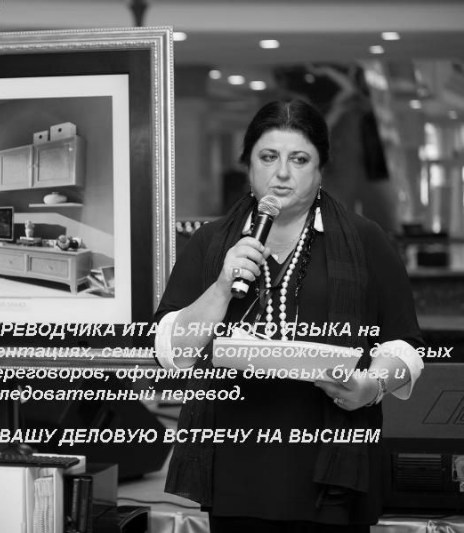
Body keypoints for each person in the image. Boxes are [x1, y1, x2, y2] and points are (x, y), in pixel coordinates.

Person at [154, 99, 424, 532]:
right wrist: (221, 287)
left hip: (330, 470)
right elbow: (171, 353)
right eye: (268, 157)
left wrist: (372, 386)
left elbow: (404, 345)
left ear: (320, 169)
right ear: (248, 165)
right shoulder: (211, 242)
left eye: (299, 159)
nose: (281, 173)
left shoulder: (364, 239)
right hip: (234, 467)